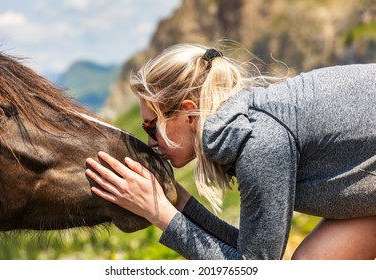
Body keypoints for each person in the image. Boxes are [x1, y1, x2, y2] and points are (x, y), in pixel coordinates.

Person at [85, 43, 376, 260]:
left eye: (152, 127)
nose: (150, 141)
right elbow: (249, 252)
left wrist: (159, 214)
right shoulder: (248, 127)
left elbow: (252, 270)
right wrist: (179, 205)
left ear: (188, 114)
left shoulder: (259, 143)